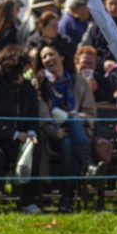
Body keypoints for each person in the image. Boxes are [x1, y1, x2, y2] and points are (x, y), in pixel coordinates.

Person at [0, 46, 42, 215]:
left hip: (19, 138)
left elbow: (33, 114)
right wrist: (14, 134)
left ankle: (28, 201)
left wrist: (31, 132)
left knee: (35, 151)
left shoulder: (27, 88)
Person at [32, 43, 100, 212]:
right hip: (52, 137)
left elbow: (90, 111)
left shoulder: (78, 81)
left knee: (69, 137)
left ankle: (66, 200)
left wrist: (76, 118)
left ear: (61, 56)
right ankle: (88, 164)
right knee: (67, 135)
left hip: (78, 132)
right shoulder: (39, 83)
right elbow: (41, 116)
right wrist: (56, 132)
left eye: (51, 54)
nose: (48, 59)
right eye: (44, 57)